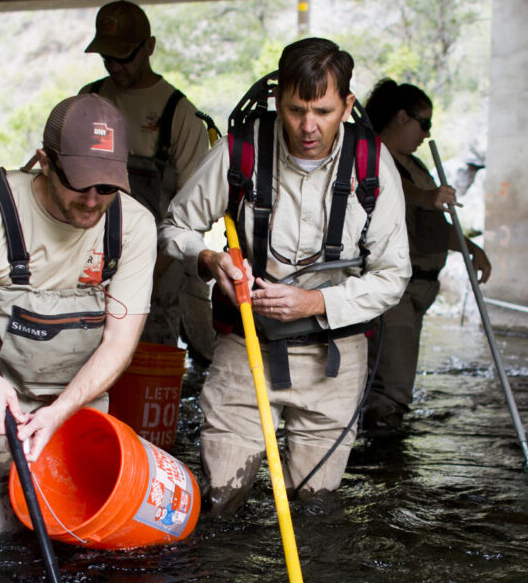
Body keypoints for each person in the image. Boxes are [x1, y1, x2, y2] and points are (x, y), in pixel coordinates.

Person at [159, 38, 410, 515]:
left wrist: (316, 303)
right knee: (221, 504)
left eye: (323, 111)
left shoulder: (373, 165)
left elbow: (393, 276)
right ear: (278, 101)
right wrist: (209, 259)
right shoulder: (239, 151)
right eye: (296, 110)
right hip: (247, 348)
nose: (308, 126)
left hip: (335, 361)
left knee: (314, 509)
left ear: (347, 106)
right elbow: (174, 228)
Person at [0, 94, 155, 551]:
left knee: (83, 553)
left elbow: (120, 343)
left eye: (106, 187)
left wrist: (61, 411)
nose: (92, 201)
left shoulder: (133, 226)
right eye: (78, 183)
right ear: (45, 162)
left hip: (77, 405)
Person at [81, 0, 214, 358]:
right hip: (92, 254)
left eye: (124, 57)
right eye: (107, 57)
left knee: (149, 352)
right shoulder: (90, 99)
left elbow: (191, 215)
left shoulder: (179, 115)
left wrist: (149, 278)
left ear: (149, 47)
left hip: (158, 258)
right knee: (83, 350)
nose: (115, 66)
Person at [360, 79, 491, 431]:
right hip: (393, 290)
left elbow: (431, 222)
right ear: (402, 117)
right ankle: (384, 454)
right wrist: (427, 197)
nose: (427, 133)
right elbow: (392, 189)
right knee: (390, 390)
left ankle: (384, 442)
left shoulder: (414, 164)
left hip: (420, 289)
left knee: (395, 383)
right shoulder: (371, 157)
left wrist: (471, 248)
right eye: (424, 123)